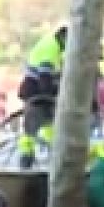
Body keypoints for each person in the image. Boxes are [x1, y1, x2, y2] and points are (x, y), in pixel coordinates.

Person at [16, 25, 65, 169]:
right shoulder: (51, 48)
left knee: (38, 128)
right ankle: (30, 159)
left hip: (34, 92)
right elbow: (45, 76)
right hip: (36, 94)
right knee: (36, 127)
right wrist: (53, 94)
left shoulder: (51, 44)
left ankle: (30, 159)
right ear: (63, 38)